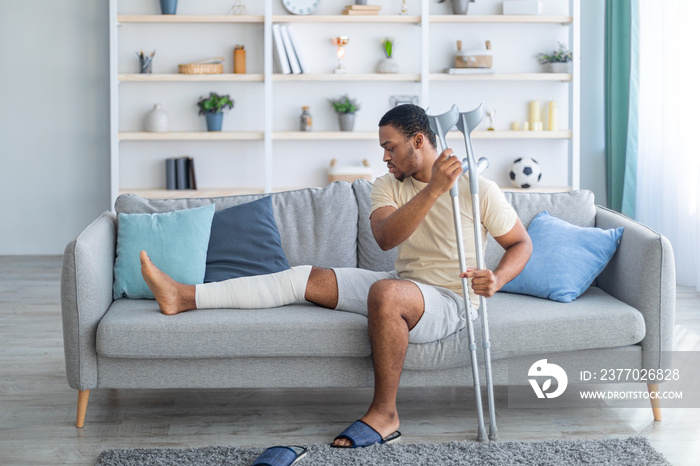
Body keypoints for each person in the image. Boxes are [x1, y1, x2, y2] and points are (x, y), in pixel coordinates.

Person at [140, 104, 532, 448]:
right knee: (302, 278)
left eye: (390, 147)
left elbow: (520, 244)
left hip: (453, 301)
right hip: (406, 283)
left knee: (386, 293)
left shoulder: (478, 189)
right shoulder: (388, 187)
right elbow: (385, 238)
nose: (384, 157)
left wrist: (496, 279)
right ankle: (185, 297)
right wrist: (432, 190)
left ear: (418, 141)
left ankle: (385, 416)